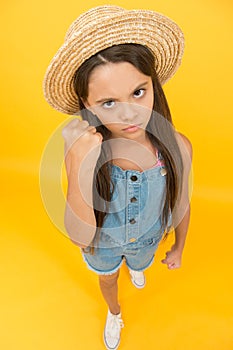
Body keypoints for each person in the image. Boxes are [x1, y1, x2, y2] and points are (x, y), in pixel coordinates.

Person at [43, 5, 192, 350]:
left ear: (153, 84)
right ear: (86, 104)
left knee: (140, 261)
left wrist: (180, 246)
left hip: (148, 241)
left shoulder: (177, 148)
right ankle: (114, 311)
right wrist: (76, 163)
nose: (130, 113)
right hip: (103, 246)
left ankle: (137, 266)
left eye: (139, 92)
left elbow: (181, 201)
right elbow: (80, 237)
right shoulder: (85, 151)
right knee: (108, 280)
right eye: (108, 103)